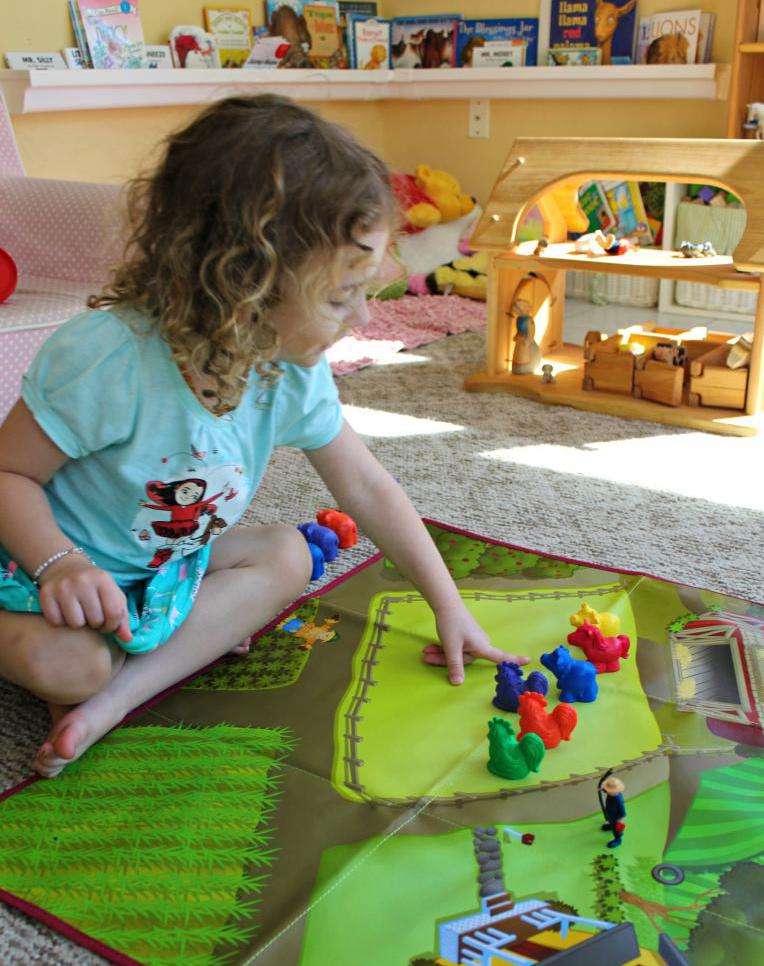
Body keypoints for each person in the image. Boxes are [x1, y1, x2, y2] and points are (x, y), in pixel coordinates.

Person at [0, 94, 527, 779]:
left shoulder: (288, 372)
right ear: (245, 279)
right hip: (36, 563)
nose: (365, 315)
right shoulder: (108, 359)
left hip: (156, 568)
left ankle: (113, 701)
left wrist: (447, 604)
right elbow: (8, 476)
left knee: (288, 556)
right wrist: (60, 564)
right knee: (69, 664)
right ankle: (98, 681)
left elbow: (366, 484)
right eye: (342, 296)